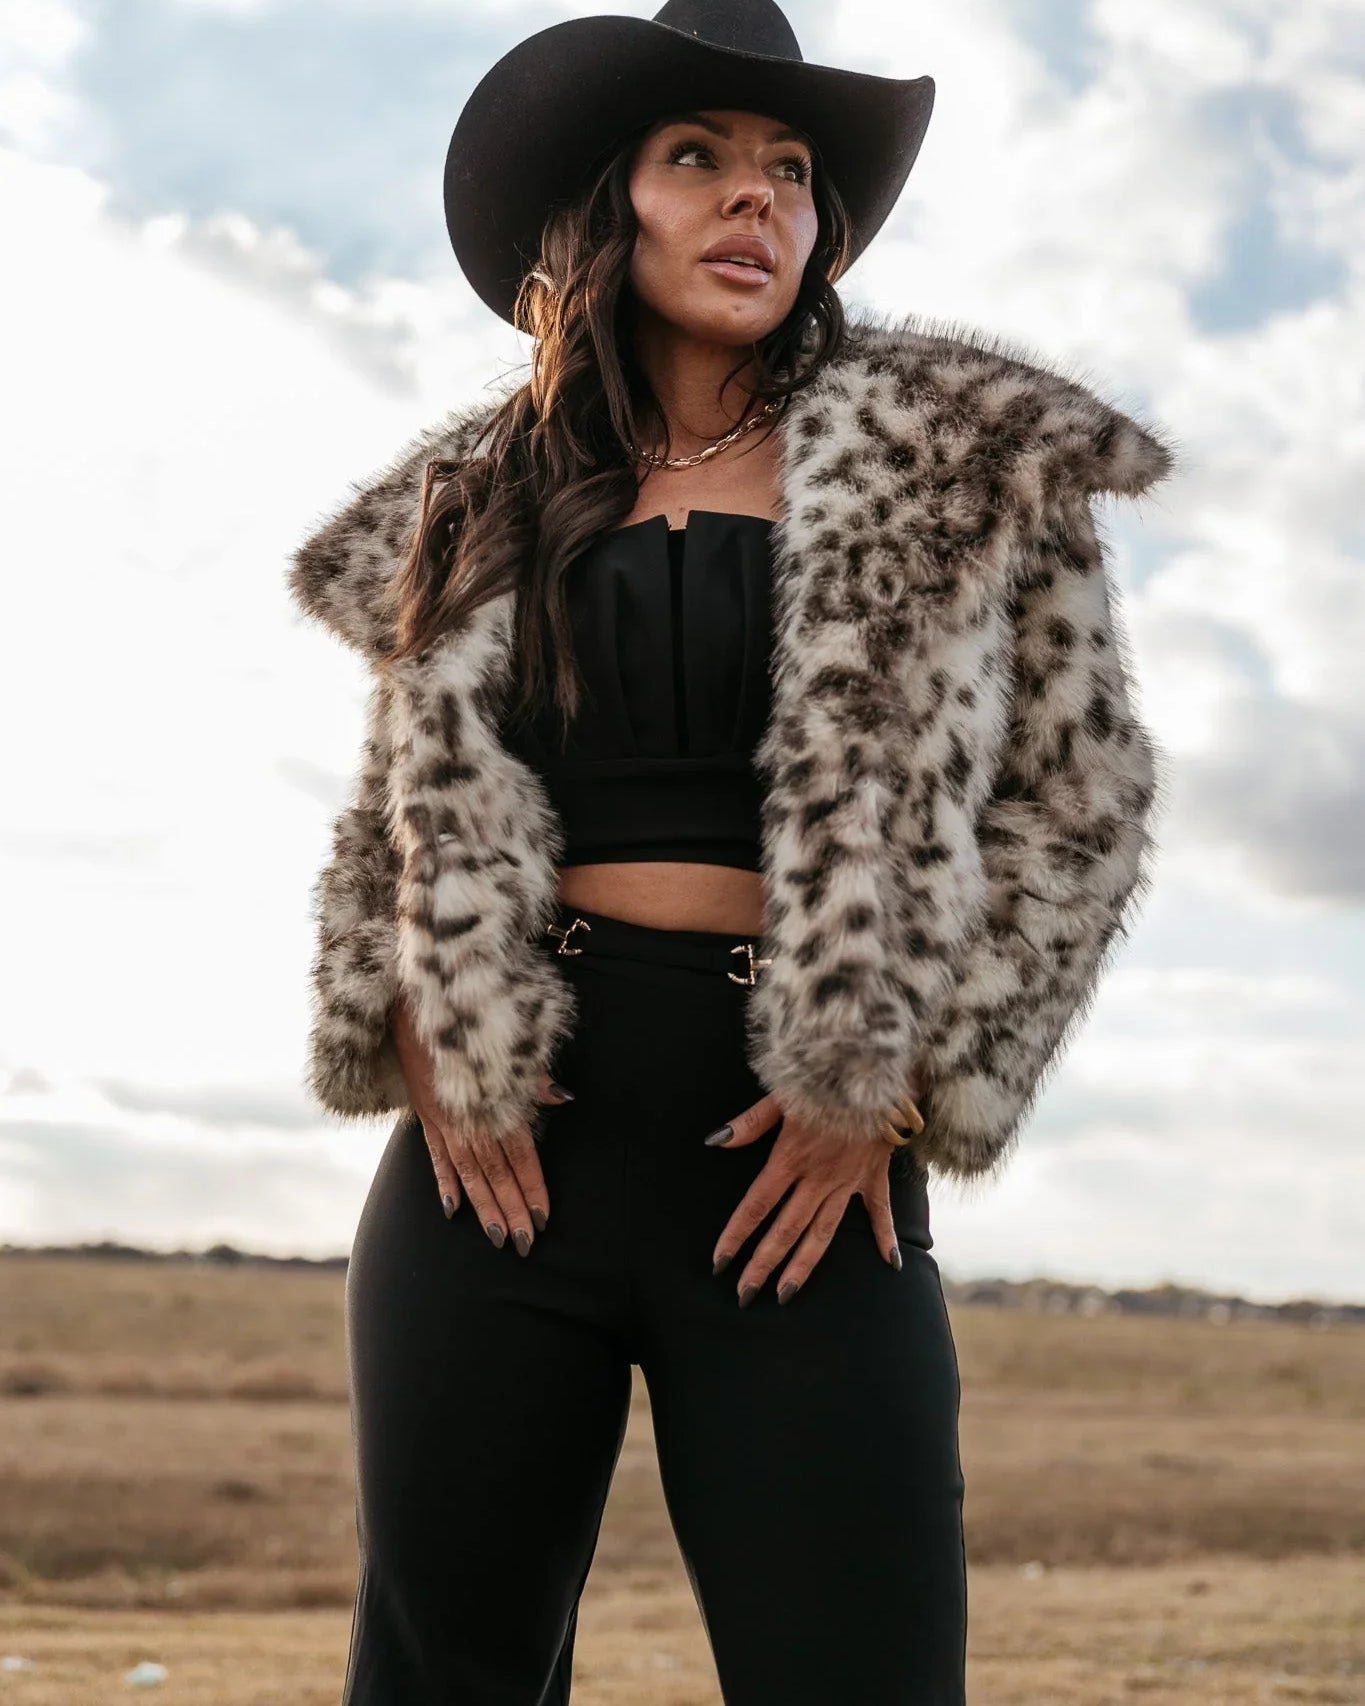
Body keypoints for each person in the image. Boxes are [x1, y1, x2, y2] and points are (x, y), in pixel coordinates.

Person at [286, 2, 1177, 1700]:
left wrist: (901, 1082)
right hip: (505, 1156)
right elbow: (393, 815)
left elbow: (1079, 804)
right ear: (602, 206)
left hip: (803, 1149)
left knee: (861, 1668)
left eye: (789, 171)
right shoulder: (480, 497)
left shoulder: (966, 472)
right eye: (696, 157)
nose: (756, 200)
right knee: (439, 1673)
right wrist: (408, 1014)